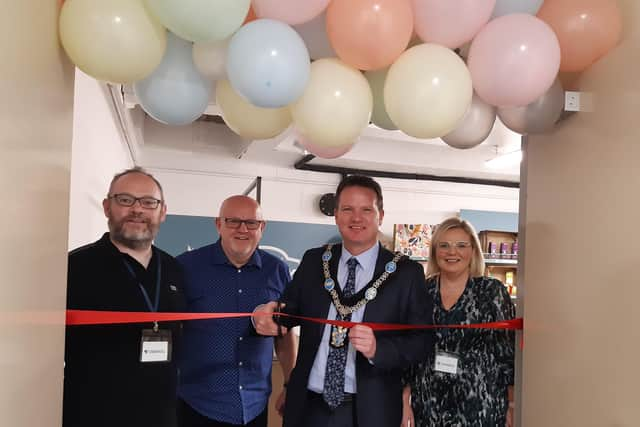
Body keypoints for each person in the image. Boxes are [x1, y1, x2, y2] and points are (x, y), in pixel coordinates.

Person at [254, 175, 434, 427]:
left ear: (380, 215)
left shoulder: (406, 274)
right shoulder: (315, 261)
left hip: (371, 411)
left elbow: (421, 342)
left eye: (366, 210)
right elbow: (288, 312)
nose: (356, 218)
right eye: (347, 209)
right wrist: (270, 315)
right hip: (308, 406)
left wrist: (377, 350)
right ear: (336, 214)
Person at [64, 167, 186, 427]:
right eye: (125, 200)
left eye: (148, 202)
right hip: (91, 415)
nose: (137, 210)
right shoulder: (73, 268)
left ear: (162, 212)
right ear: (107, 207)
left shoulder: (174, 269)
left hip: (161, 415)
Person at [176, 195, 297, 427]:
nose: (243, 229)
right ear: (218, 224)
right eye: (233, 221)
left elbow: (284, 332)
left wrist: (290, 384)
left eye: (251, 223)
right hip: (198, 404)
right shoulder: (186, 267)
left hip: (255, 406)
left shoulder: (277, 270)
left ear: (262, 227)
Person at [401, 217, 515, 427]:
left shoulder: (492, 292)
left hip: (481, 404)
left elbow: (507, 353)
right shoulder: (422, 291)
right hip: (429, 404)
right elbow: (409, 350)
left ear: (473, 251)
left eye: (461, 245)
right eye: (444, 245)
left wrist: (513, 404)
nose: (452, 252)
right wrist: (404, 400)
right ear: (435, 251)